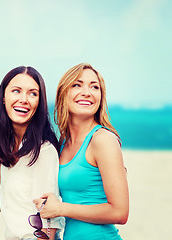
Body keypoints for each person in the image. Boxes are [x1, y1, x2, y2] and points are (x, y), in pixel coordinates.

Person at [34, 63, 129, 240]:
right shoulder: (62, 143)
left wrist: (61, 209)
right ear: (63, 93)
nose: (87, 92)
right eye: (77, 85)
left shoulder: (102, 139)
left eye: (95, 87)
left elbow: (120, 212)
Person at [0, 66, 65, 240]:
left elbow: (49, 217)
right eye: (16, 91)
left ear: (39, 103)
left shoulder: (43, 150)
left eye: (33, 93)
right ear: (3, 97)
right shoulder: (5, 144)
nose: (24, 99)